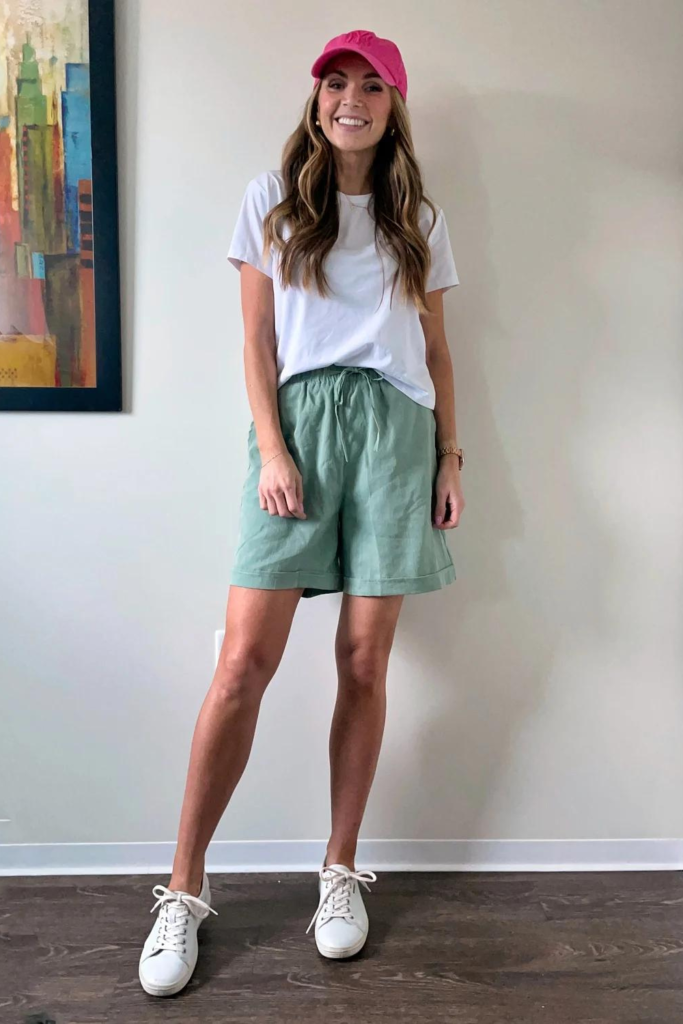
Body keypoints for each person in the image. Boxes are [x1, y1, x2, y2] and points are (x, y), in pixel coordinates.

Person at [138, 28, 465, 997]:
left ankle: (338, 868)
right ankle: (183, 890)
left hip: (397, 434)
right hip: (300, 424)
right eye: (335, 81)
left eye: (369, 84)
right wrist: (274, 449)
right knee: (242, 662)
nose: (349, 97)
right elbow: (254, 343)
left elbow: (437, 351)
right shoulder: (270, 202)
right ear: (315, 96)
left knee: (362, 661)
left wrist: (450, 454)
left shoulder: (417, 216)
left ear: (393, 102)